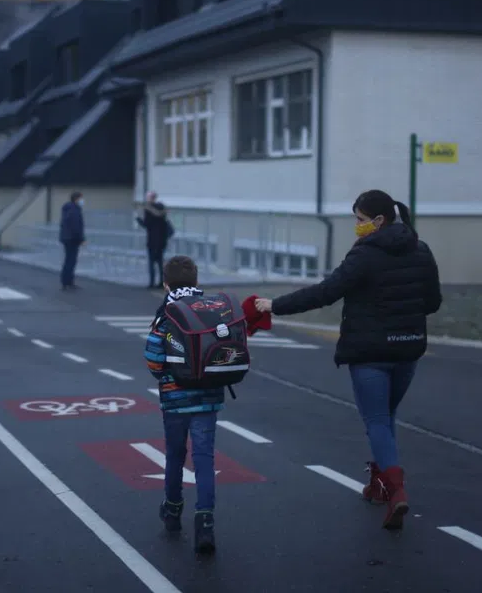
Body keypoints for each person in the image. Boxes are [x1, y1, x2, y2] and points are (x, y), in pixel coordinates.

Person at [255, 189, 441, 531]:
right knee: (386, 419)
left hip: (370, 353)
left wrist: (274, 305)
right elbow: (433, 302)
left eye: (359, 219)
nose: (356, 225)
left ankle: (396, 490)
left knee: (377, 421)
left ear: (379, 220)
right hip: (408, 349)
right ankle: (379, 483)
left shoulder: (365, 255)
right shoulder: (421, 249)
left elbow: (326, 292)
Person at [143, 255, 223, 554]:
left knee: (176, 456)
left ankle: (173, 510)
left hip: (175, 399)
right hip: (208, 398)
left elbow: (152, 356)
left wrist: (164, 378)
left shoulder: (167, 312)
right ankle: (205, 524)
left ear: (166, 283)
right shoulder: (213, 310)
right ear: (197, 281)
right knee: (204, 459)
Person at [136, 191, 173, 289]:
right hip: (162, 240)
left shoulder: (148, 209)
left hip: (152, 240)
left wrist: (138, 220)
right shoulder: (162, 208)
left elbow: (146, 224)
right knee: (160, 262)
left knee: (152, 262)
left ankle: (152, 282)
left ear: (150, 198)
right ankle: (161, 282)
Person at [58, 191, 85, 291]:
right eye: (81, 198)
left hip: (66, 238)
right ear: (77, 199)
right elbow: (76, 226)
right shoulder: (75, 210)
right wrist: (81, 239)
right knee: (71, 260)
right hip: (72, 239)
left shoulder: (67, 209)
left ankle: (66, 281)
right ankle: (68, 282)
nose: (82, 201)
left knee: (68, 260)